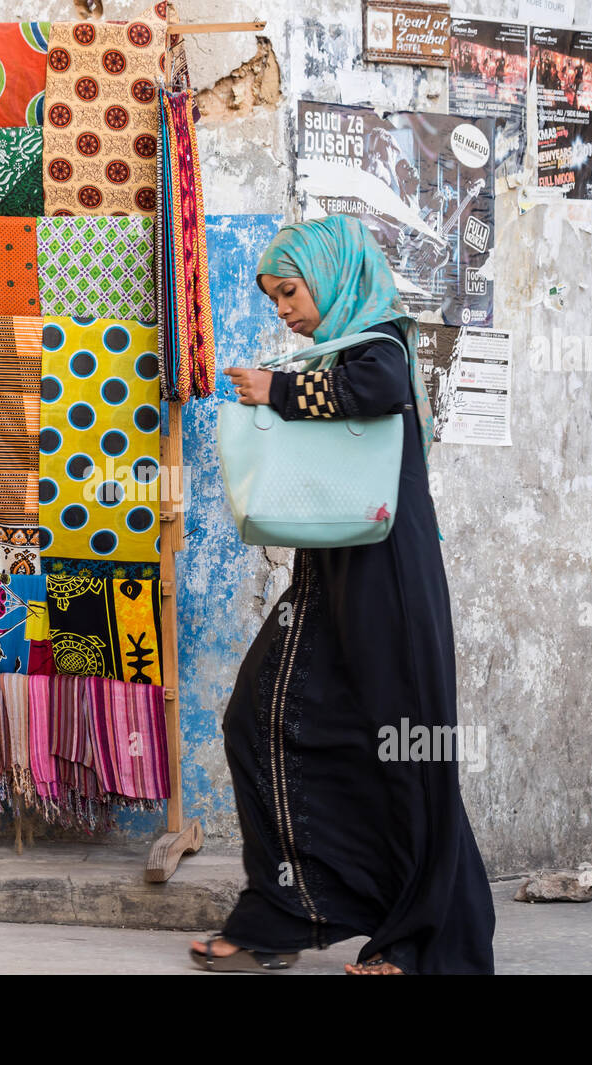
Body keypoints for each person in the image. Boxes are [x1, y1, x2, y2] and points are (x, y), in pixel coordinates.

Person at [190, 216, 496, 975]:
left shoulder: (380, 339)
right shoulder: (339, 349)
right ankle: (286, 911)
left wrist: (278, 387)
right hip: (332, 572)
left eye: (290, 292)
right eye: (274, 300)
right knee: (259, 720)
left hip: (388, 576)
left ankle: (423, 939)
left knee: (405, 747)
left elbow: (382, 385)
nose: (285, 311)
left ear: (331, 277)